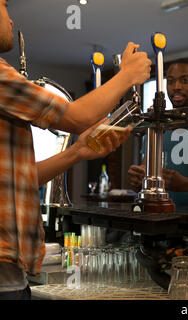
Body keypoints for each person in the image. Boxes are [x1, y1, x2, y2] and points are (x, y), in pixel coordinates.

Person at [0, 0, 151, 299]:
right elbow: (76, 117)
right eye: (4, 6)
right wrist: (126, 75)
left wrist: (77, 152)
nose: (10, 20)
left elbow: (17, 181)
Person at [128, 60, 188, 206]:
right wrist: (138, 180)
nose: (176, 87)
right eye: (170, 81)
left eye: (184, 80)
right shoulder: (156, 127)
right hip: (158, 217)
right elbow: (145, 170)